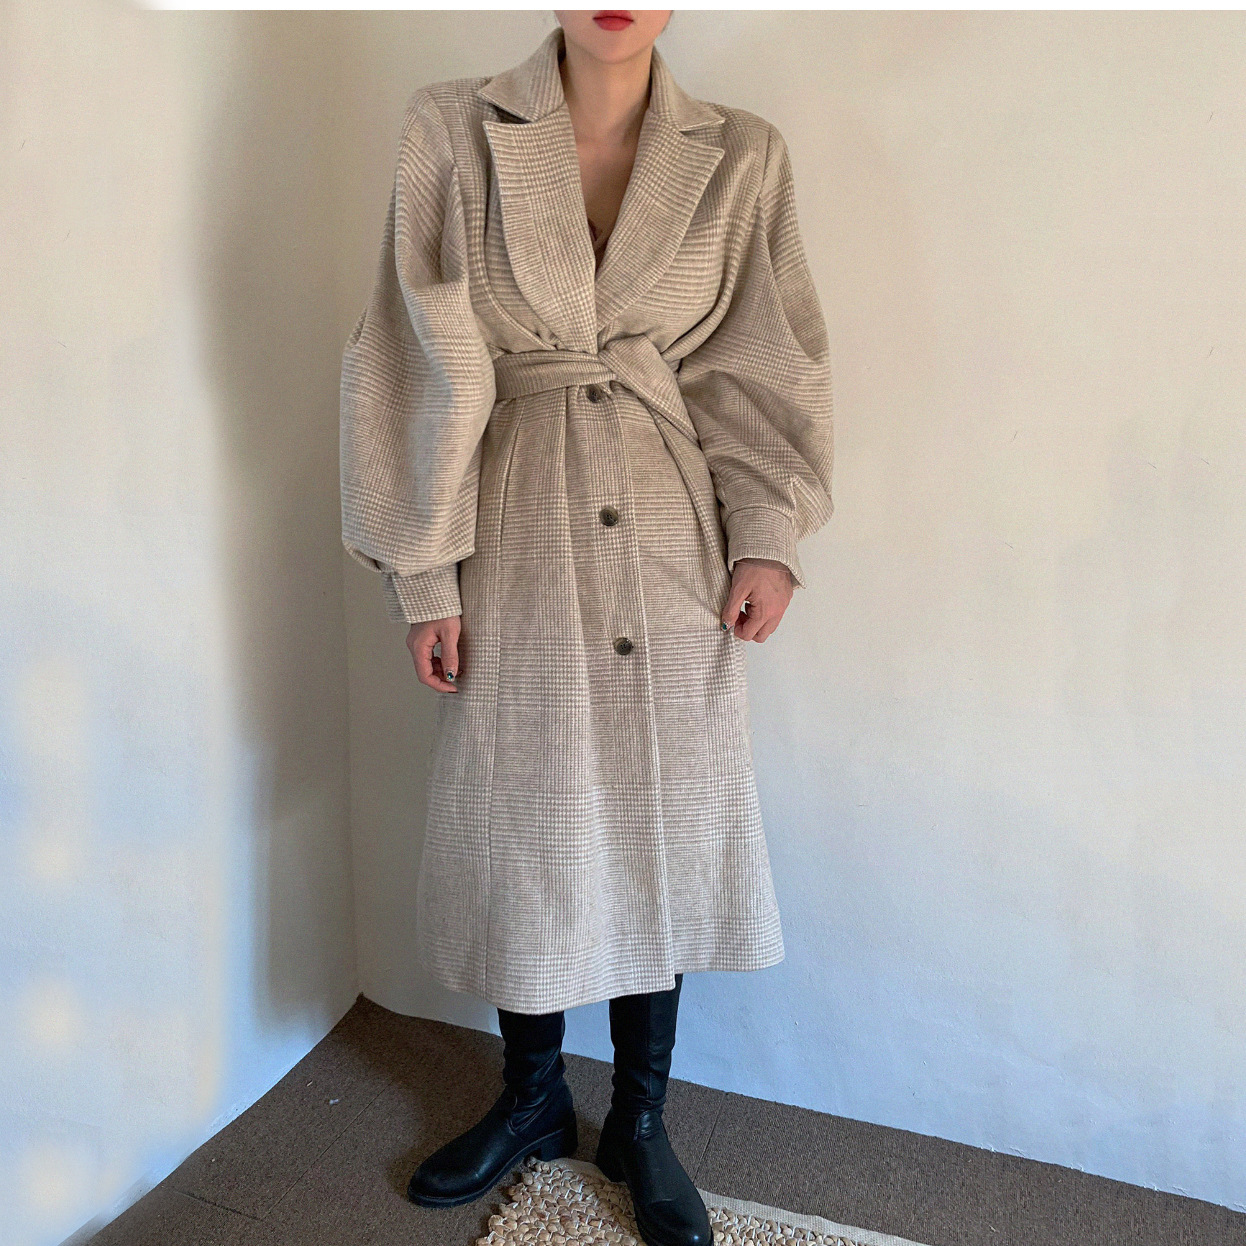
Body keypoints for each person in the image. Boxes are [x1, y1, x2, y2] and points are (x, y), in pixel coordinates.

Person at [338, 11, 834, 1246]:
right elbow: (406, 359)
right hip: (514, 522)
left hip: (672, 535)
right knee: (529, 817)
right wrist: (424, 575)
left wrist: (765, 532)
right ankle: (533, 1099)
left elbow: (762, 362)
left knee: (662, 812)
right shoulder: (451, 127)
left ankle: (642, 1120)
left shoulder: (741, 155)